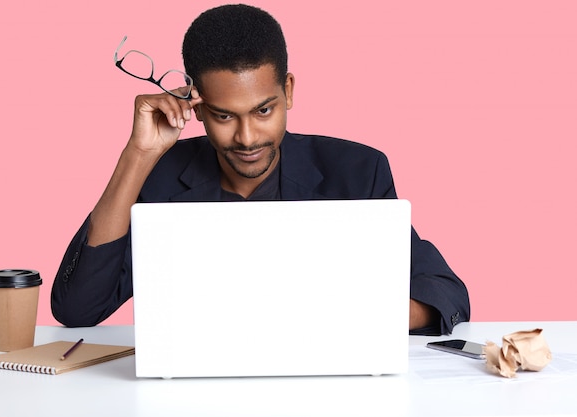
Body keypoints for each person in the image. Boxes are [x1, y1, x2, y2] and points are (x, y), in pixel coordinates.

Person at [51, 4, 470, 335]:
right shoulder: (159, 175)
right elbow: (77, 309)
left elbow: (445, 292)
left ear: (288, 91)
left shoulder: (358, 171)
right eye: (224, 116)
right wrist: (137, 155)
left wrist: (342, 319)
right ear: (196, 108)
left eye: (263, 110)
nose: (248, 138)